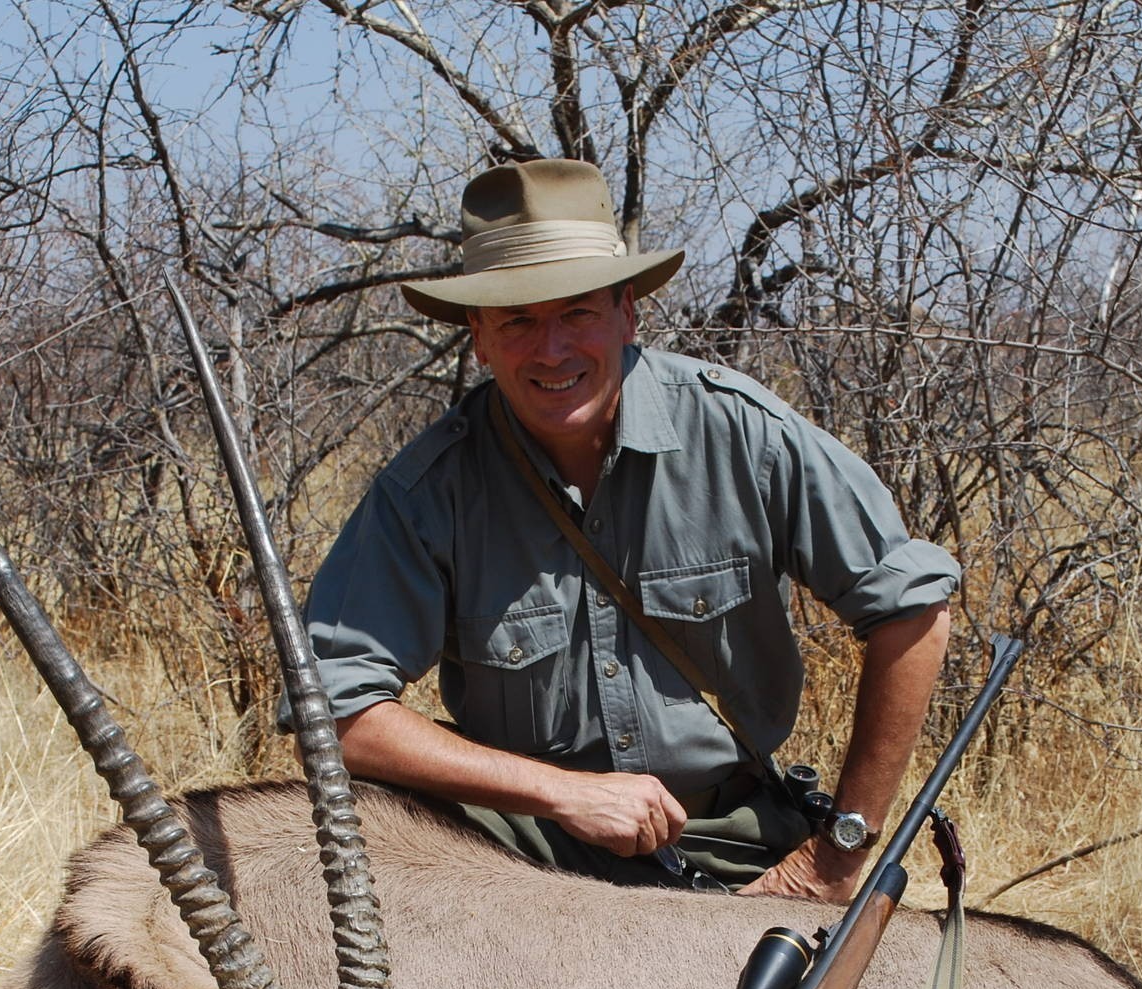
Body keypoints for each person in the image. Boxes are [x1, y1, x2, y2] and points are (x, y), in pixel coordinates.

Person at [306, 159, 959, 903]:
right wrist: (558, 792)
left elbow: (913, 613)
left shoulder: (743, 434)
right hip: (520, 848)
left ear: (627, 313)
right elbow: (336, 711)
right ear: (478, 338)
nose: (551, 350)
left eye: (576, 311)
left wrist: (835, 855)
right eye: (518, 320)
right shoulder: (427, 490)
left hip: (727, 842)